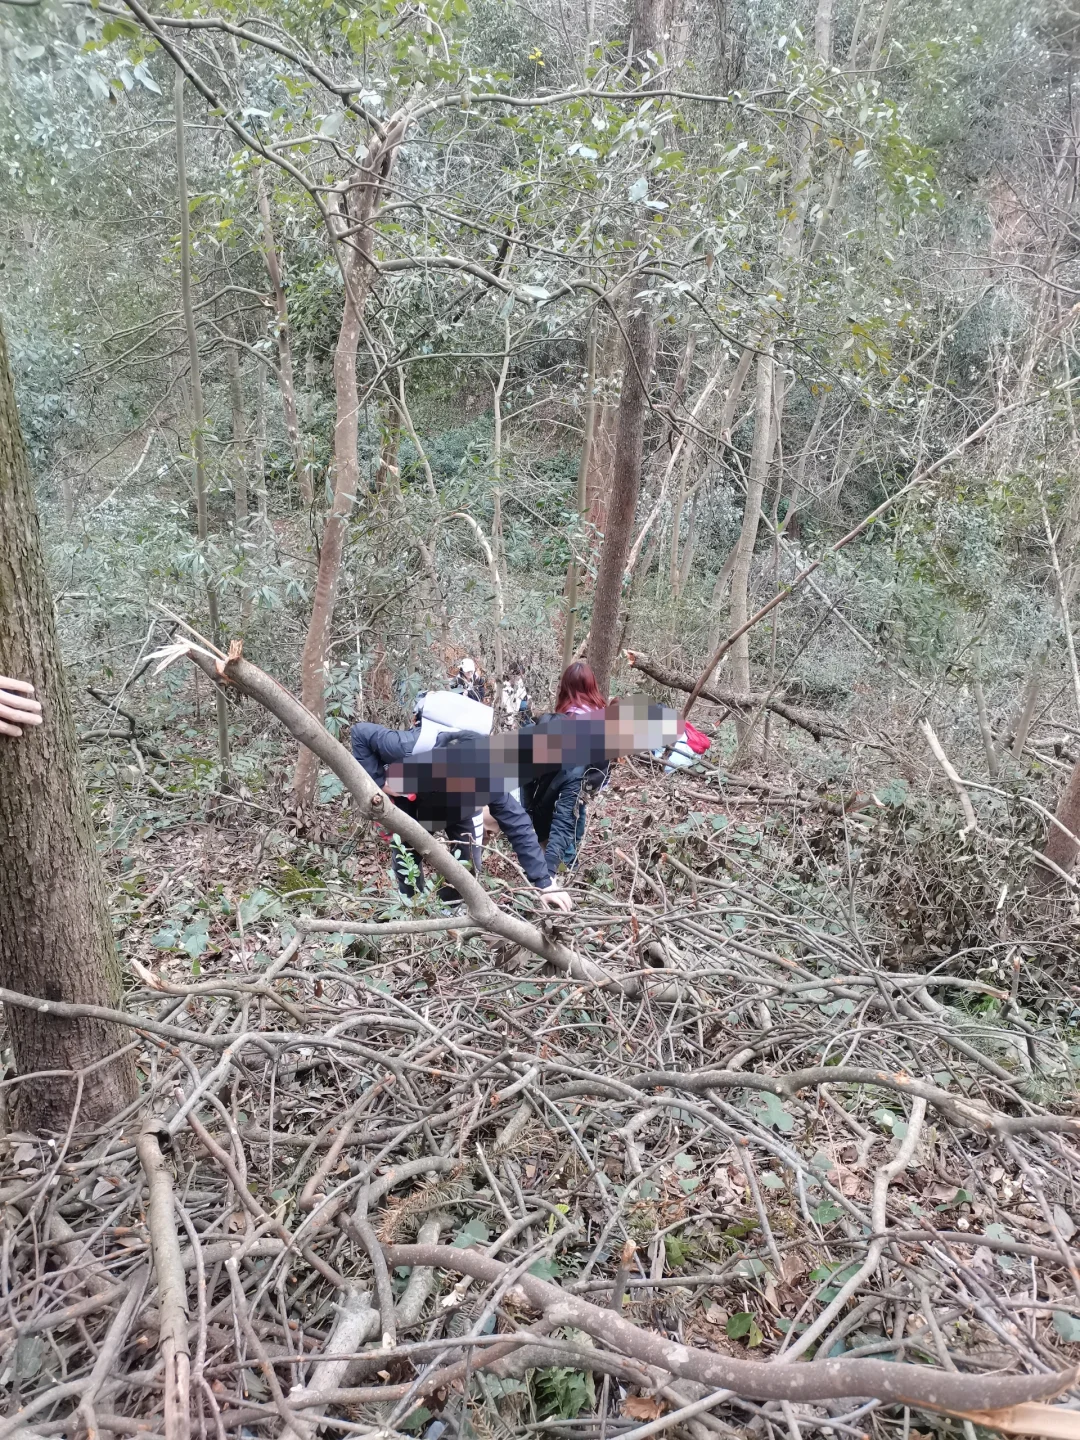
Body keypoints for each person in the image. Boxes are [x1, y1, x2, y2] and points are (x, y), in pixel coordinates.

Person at [350, 690, 571, 911]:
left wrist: (545, 882)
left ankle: (450, 908)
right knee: (407, 858)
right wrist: (379, 782)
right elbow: (360, 733)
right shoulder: (409, 747)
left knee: (467, 866)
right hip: (417, 806)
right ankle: (413, 908)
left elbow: (517, 823)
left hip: (461, 811)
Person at [521, 662, 610, 875]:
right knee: (578, 812)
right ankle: (572, 856)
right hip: (594, 779)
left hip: (571, 779)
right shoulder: (599, 713)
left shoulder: (571, 718)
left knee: (565, 816)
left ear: (566, 687)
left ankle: (566, 863)